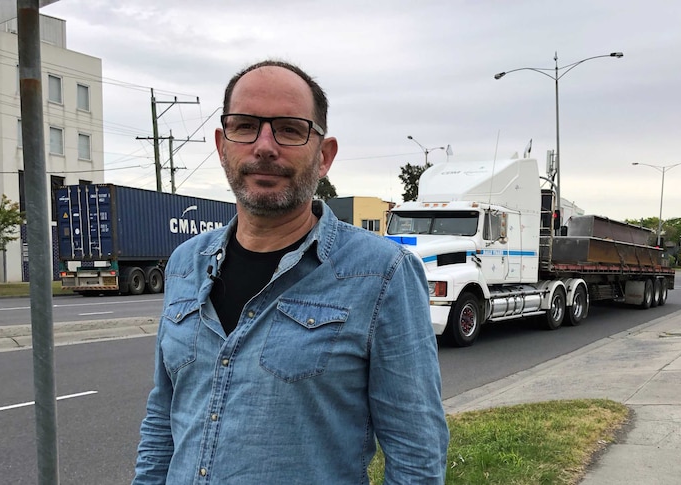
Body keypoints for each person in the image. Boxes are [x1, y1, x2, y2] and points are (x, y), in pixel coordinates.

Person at [133, 60, 449, 484]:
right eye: (245, 126)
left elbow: (417, 456)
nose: (264, 145)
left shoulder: (383, 275)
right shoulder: (184, 265)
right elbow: (162, 421)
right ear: (222, 144)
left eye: (289, 128)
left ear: (325, 156)